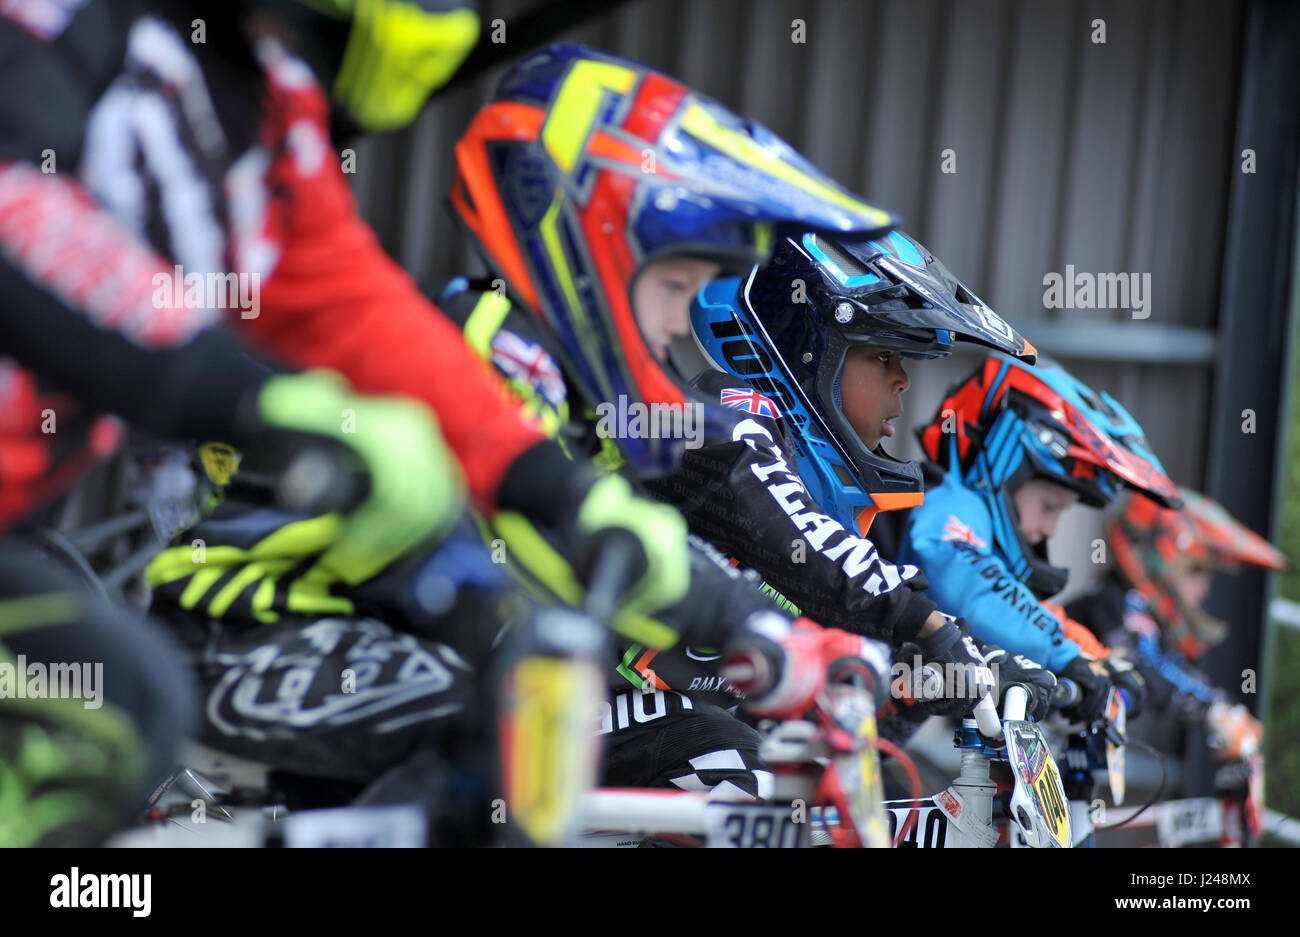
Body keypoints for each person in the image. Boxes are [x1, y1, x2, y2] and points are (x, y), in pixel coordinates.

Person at [443, 43, 904, 801]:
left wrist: (769, 628)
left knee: (778, 766)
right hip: (333, 653)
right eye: (671, 286)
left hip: (495, 686)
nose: (673, 324)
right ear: (591, 253)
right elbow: (562, 538)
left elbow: (631, 534)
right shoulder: (498, 349)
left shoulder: (573, 384)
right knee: (730, 759)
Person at [902, 355, 1183, 725]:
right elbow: (966, 579)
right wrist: (1064, 654)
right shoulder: (950, 501)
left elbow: (1015, 600)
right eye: (1050, 506)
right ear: (1005, 464)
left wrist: (1092, 655)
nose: (1050, 530)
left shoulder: (972, 528)